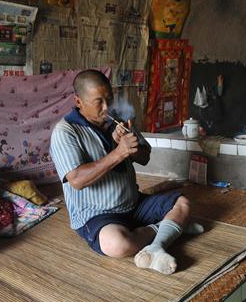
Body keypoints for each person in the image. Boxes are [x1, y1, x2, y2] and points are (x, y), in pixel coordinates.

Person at [50, 70, 200, 274]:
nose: (106, 107)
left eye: (109, 99)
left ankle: (156, 246)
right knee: (118, 245)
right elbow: (76, 180)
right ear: (78, 101)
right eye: (98, 102)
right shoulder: (65, 131)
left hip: (132, 203)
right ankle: (170, 230)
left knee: (183, 203)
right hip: (96, 214)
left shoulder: (117, 120)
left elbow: (145, 158)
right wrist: (119, 153)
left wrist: (131, 146)